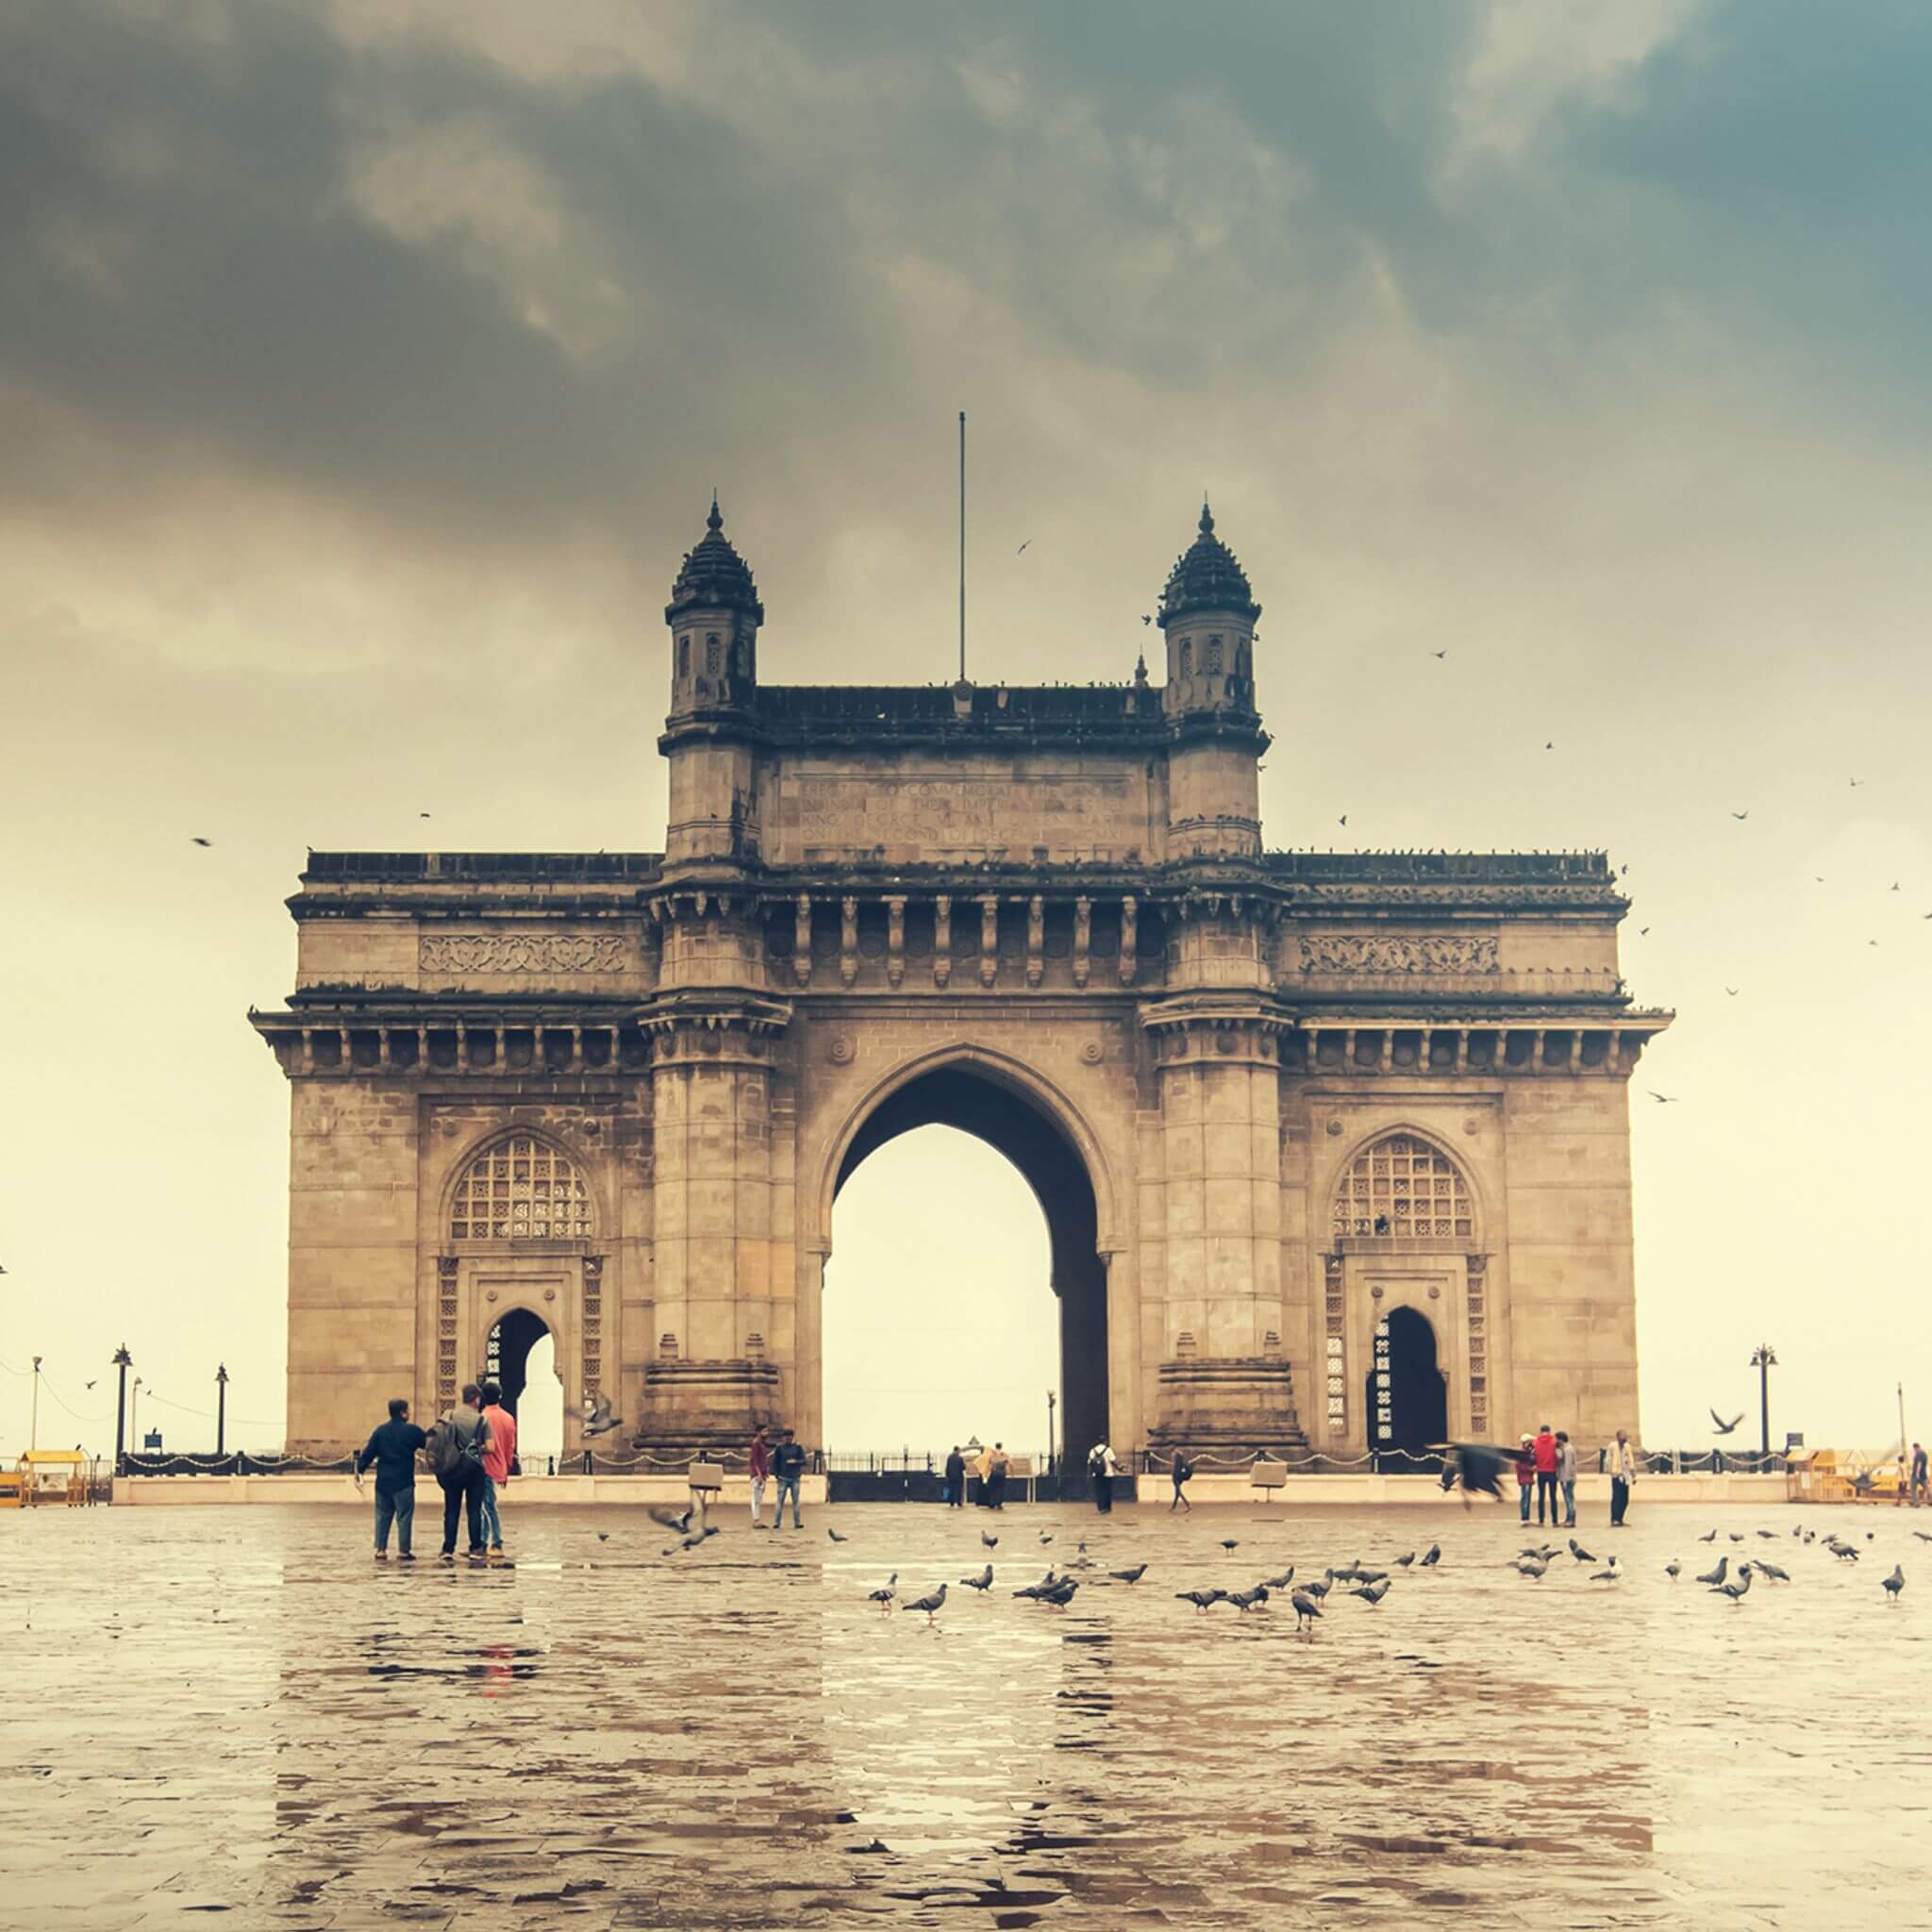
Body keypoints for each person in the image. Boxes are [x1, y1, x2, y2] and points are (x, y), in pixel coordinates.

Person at [354, 1396, 426, 1560]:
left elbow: (368, 1453)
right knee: (404, 1517)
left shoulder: (380, 1431)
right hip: (403, 1482)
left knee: (382, 1516)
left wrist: (359, 1471)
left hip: (383, 1482)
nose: (409, 1413)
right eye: (407, 1410)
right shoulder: (411, 1431)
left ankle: (381, 1549)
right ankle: (403, 1550)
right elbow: (428, 1442)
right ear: (402, 1413)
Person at [434, 1383, 492, 1562]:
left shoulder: (449, 1415)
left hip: (451, 1467)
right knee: (474, 1510)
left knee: (451, 1509)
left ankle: (448, 1548)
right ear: (477, 1399)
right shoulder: (482, 1420)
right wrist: (476, 1448)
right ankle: (475, 1547)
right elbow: (491, 1447)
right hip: (473, 1468)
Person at [477, 1380, 517, 1561]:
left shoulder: (481, 1418)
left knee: (488, 1506)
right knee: (486, 1505)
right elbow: (510, 1447)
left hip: (484, 1466)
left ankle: (497, 1542)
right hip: (499, 1466)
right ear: (500, 1396)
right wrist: (506, 1469)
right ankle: (483, 1542)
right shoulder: (508, 1418)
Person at [770, 1427, 807, 1529]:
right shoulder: (779, 1448)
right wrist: (776, 1475)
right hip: (783, 1478)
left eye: (789, 1437)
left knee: (795, 1501)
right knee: (780, 1501)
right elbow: (775, 1463)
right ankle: (777, 1522)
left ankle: (797, 1522)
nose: (788, 1439)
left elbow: (804, 1460)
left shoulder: (798, 1447)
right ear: (783, 1438)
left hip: (794, 1477)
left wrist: (795, 1462)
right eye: (786, 1437)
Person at [1607, 1427, 1637, 1526]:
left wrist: (1633, 1476)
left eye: (1625, 1436)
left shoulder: (1627, 1447)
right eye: (1622, 1436)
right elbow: (1608, 1460)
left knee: (1625, 1499)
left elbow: (1631, 1461)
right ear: (1617, 1437)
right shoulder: (1612, 1446)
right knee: (1616, 1498)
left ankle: (1620, 1518)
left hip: (1626, 1475)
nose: (1624, 1438)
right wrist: (1611, 1472)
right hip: (1616, 1475)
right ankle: (1614, 1519)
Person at [1532, 1423, 1559, 1526]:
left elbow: (1534, 1456)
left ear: (1540, 1431)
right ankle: (1555, 1520)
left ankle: (1541, 1520)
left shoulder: (1536, 1442)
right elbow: (1557, 1457)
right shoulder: (1554, 1441)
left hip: (1541, 1471)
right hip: (1552, 1471)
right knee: (1553, 1497)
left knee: (1541, 1497)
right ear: (1549, 1431)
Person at [749, 1424, 772, 1528]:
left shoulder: (762, 1444)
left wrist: (765, 1473)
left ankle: (757, 1519)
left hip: (762, 1475)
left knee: (759, 1498)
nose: (767, 1433)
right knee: (756, 1498)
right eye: (764, 1431)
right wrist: (758, 1474)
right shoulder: (756, 1443)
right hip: (757, 1475)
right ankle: (756, 1520)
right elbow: (754, 1460)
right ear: (758, 1432)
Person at [1088, 1440, 1118, 1513]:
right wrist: (1119, 1468)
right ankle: (1107, 1507)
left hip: (1097, 1474)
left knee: (1099, 1491)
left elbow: (1089, 1463)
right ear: (1105, 1442)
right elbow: (1113, 1461)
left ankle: (1101, 1507)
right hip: (1108, 1474)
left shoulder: (1093, 1450)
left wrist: (1089, 1474)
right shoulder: (1108, 1450)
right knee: (1107, 1491)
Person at [1556, 1429, 1578, 1527]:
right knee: (1568, 1499)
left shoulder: (1568, 1449)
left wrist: (1566, 1478)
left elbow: (1568, 1465)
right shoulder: (1565, 1448)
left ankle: (1571, 1519)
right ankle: (1568, 1518)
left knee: (1569, 1499)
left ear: (1561, 1439)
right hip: (1566, 1477)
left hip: (1567, 1478)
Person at [1514, 1434, 1536, 1523]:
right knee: (1525, 1499)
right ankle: (1524, 1518)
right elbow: (1519, 1466)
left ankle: (1526, 1517)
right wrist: (1531, 1469)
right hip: (1525, 1478)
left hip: (1527, 1478)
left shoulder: (1528, 1453)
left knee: (1526, 1498)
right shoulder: (1522, 1453)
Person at [985, 1441, 1009, 1510]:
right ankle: (999, 1504)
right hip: (1002, 1474)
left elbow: (989, 1466)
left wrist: (987, 1475)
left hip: (993, 1474)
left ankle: (993, 1503)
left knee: (993, 1489)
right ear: (1001, 1447)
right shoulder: (1004, 1455)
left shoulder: (992, 1455)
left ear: (995, 1446)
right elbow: (1010, 1463)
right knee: (1000, 1489)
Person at [1170, 1448, 1194, 1512]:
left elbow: (1173, 1468)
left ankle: (1188, 1505)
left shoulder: (1175, 1457)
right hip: (1179, 1476)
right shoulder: (1179, 1458)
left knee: (1179, 1493)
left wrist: (1173, 1475)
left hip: (1176, 1476)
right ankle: (1173, 1507)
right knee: (1177, 1493)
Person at [943, 1444, 966, 1508]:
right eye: (959, 1451)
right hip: (959, 1476)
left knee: (952, 1489)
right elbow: (963, 1467)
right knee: (958, 1490)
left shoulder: (949, 1458)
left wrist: (947, 1475)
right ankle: (959, 1503)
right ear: (957, 1450)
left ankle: (951, 1503)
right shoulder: (960, 1458)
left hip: (951, 1476)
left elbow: (947, 1467)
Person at [1912, 1441, 1929, 1507]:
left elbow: (1919, 1463)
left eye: (1914, 1449)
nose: (1914, 1451)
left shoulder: (1920, 1454)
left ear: (1916, 1448)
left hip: (1917, 1475)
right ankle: (1930, 1500)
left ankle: (1916, 1503)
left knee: (1913, 1488)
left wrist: (1917, 1473)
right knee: (1927, 1488)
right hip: (1923, 1474)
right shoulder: (1924, 1453)